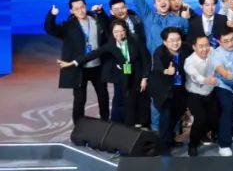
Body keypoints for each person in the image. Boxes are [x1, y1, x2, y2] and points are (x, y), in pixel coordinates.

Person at [56, 18, 148, 128]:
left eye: (121, 30)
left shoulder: (136, 40)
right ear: (112, 32)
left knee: (140, 101)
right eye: (116, 31)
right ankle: (129, 126)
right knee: (127, 101)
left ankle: (143, 124)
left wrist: (144, 77)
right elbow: (93, 54)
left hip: (138, 76)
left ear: (126, 30)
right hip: (125, 76)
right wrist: (73, 63)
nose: (119, 34)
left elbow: (146, 59)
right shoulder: (111, 45)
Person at [46, 0, 111, 125]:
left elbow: (109, 28)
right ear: (71, 11)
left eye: (82, 7)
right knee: (80, 100)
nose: (80, 11)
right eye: (76, 9)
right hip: (79, 68)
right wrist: (52, 15)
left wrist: (101, 12)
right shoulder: (68, 26)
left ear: (85, 6)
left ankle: (105, 123)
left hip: (97, 66)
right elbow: (51, 29)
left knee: (103, 96)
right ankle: (78, 127)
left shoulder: (96, 20)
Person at [148, 27, 189, 155]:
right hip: (162, 90)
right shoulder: (159, 52)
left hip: (178, 89)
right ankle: (163, 147)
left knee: (176, 115)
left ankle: (169, 139)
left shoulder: (185, 49)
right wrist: (166, 71)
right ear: (165, 42)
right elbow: (158, 66)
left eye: (178, 39)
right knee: (165, 117)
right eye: (171, 40)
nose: (175, 43)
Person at [183, 34, 220, 157]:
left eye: (207, 45)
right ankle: (192, 144)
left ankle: (205, 134)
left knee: (214, 116)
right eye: (201, 46)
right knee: (200, 117)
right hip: (194, 94)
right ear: (194, 47)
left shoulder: (212, 52)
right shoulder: (189, 62)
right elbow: (196, 76)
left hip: (210, 92)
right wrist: (206, 80)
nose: (205, 49)